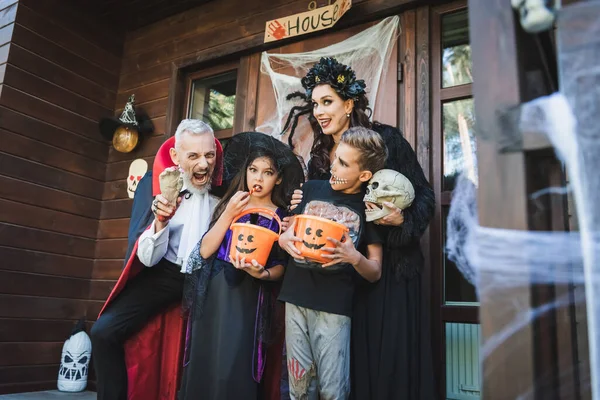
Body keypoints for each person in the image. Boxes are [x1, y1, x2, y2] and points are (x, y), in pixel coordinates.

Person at [282, 57, 437, 399]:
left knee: (386, 359)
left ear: (348, 103)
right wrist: (300, 203)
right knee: (347, 365)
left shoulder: (385, 141)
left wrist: (403, 221)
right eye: (315, 104)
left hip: (390, 268)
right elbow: (322, 210)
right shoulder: (321, 155)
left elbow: (424, 195)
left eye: (328, 102)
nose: (319, 111)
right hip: (342, 276)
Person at [90, 119, 223, 400]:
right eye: (194, 156)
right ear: (175, 156)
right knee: (103, 332)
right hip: (166, 275)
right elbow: (147, 259)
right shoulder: (157, 189)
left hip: (209, 278)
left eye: (209, 155)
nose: (203, 164)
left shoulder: (224, 191)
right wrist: (160, 222)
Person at [179, 132, 304, 400]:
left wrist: (264, 273)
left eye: (267, 172)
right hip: (213, 289)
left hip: (249, 294)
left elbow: (282, 266)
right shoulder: (231, 203)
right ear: (245, 172)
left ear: (278, 178)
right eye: (253, 170)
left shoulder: (282, 217)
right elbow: (204, 250)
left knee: (234, 361)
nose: (258, 178)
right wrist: (228, 213)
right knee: (206, 356)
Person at [278, 127, 386, 399]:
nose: (333, 166)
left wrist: (354, 257)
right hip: (296, 296)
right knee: (299, 388)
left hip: (334, 306)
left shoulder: (367, 206)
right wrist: (283, 240)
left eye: (343, 163)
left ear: (364, 175)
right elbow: (288, 230)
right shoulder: (311, 189)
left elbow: (375, 271)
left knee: (332, 390)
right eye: (336, 158)